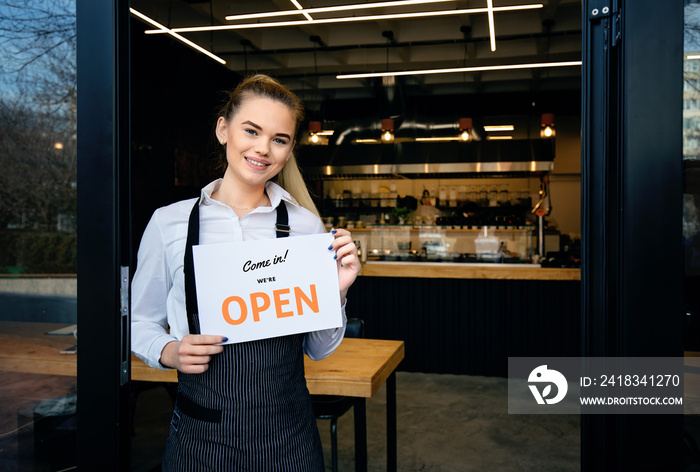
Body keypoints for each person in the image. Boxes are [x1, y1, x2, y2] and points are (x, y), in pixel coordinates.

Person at [131, 74, 360, 471]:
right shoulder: (169, 224)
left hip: (289, 438)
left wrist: (336, 293)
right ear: (224, 130)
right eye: (251, 130)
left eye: (279, 138)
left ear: (289, 151)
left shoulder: (305, 227)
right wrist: (168, 351)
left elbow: (319, 350)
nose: (262, 149)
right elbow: (138, 321)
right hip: (200, 437)